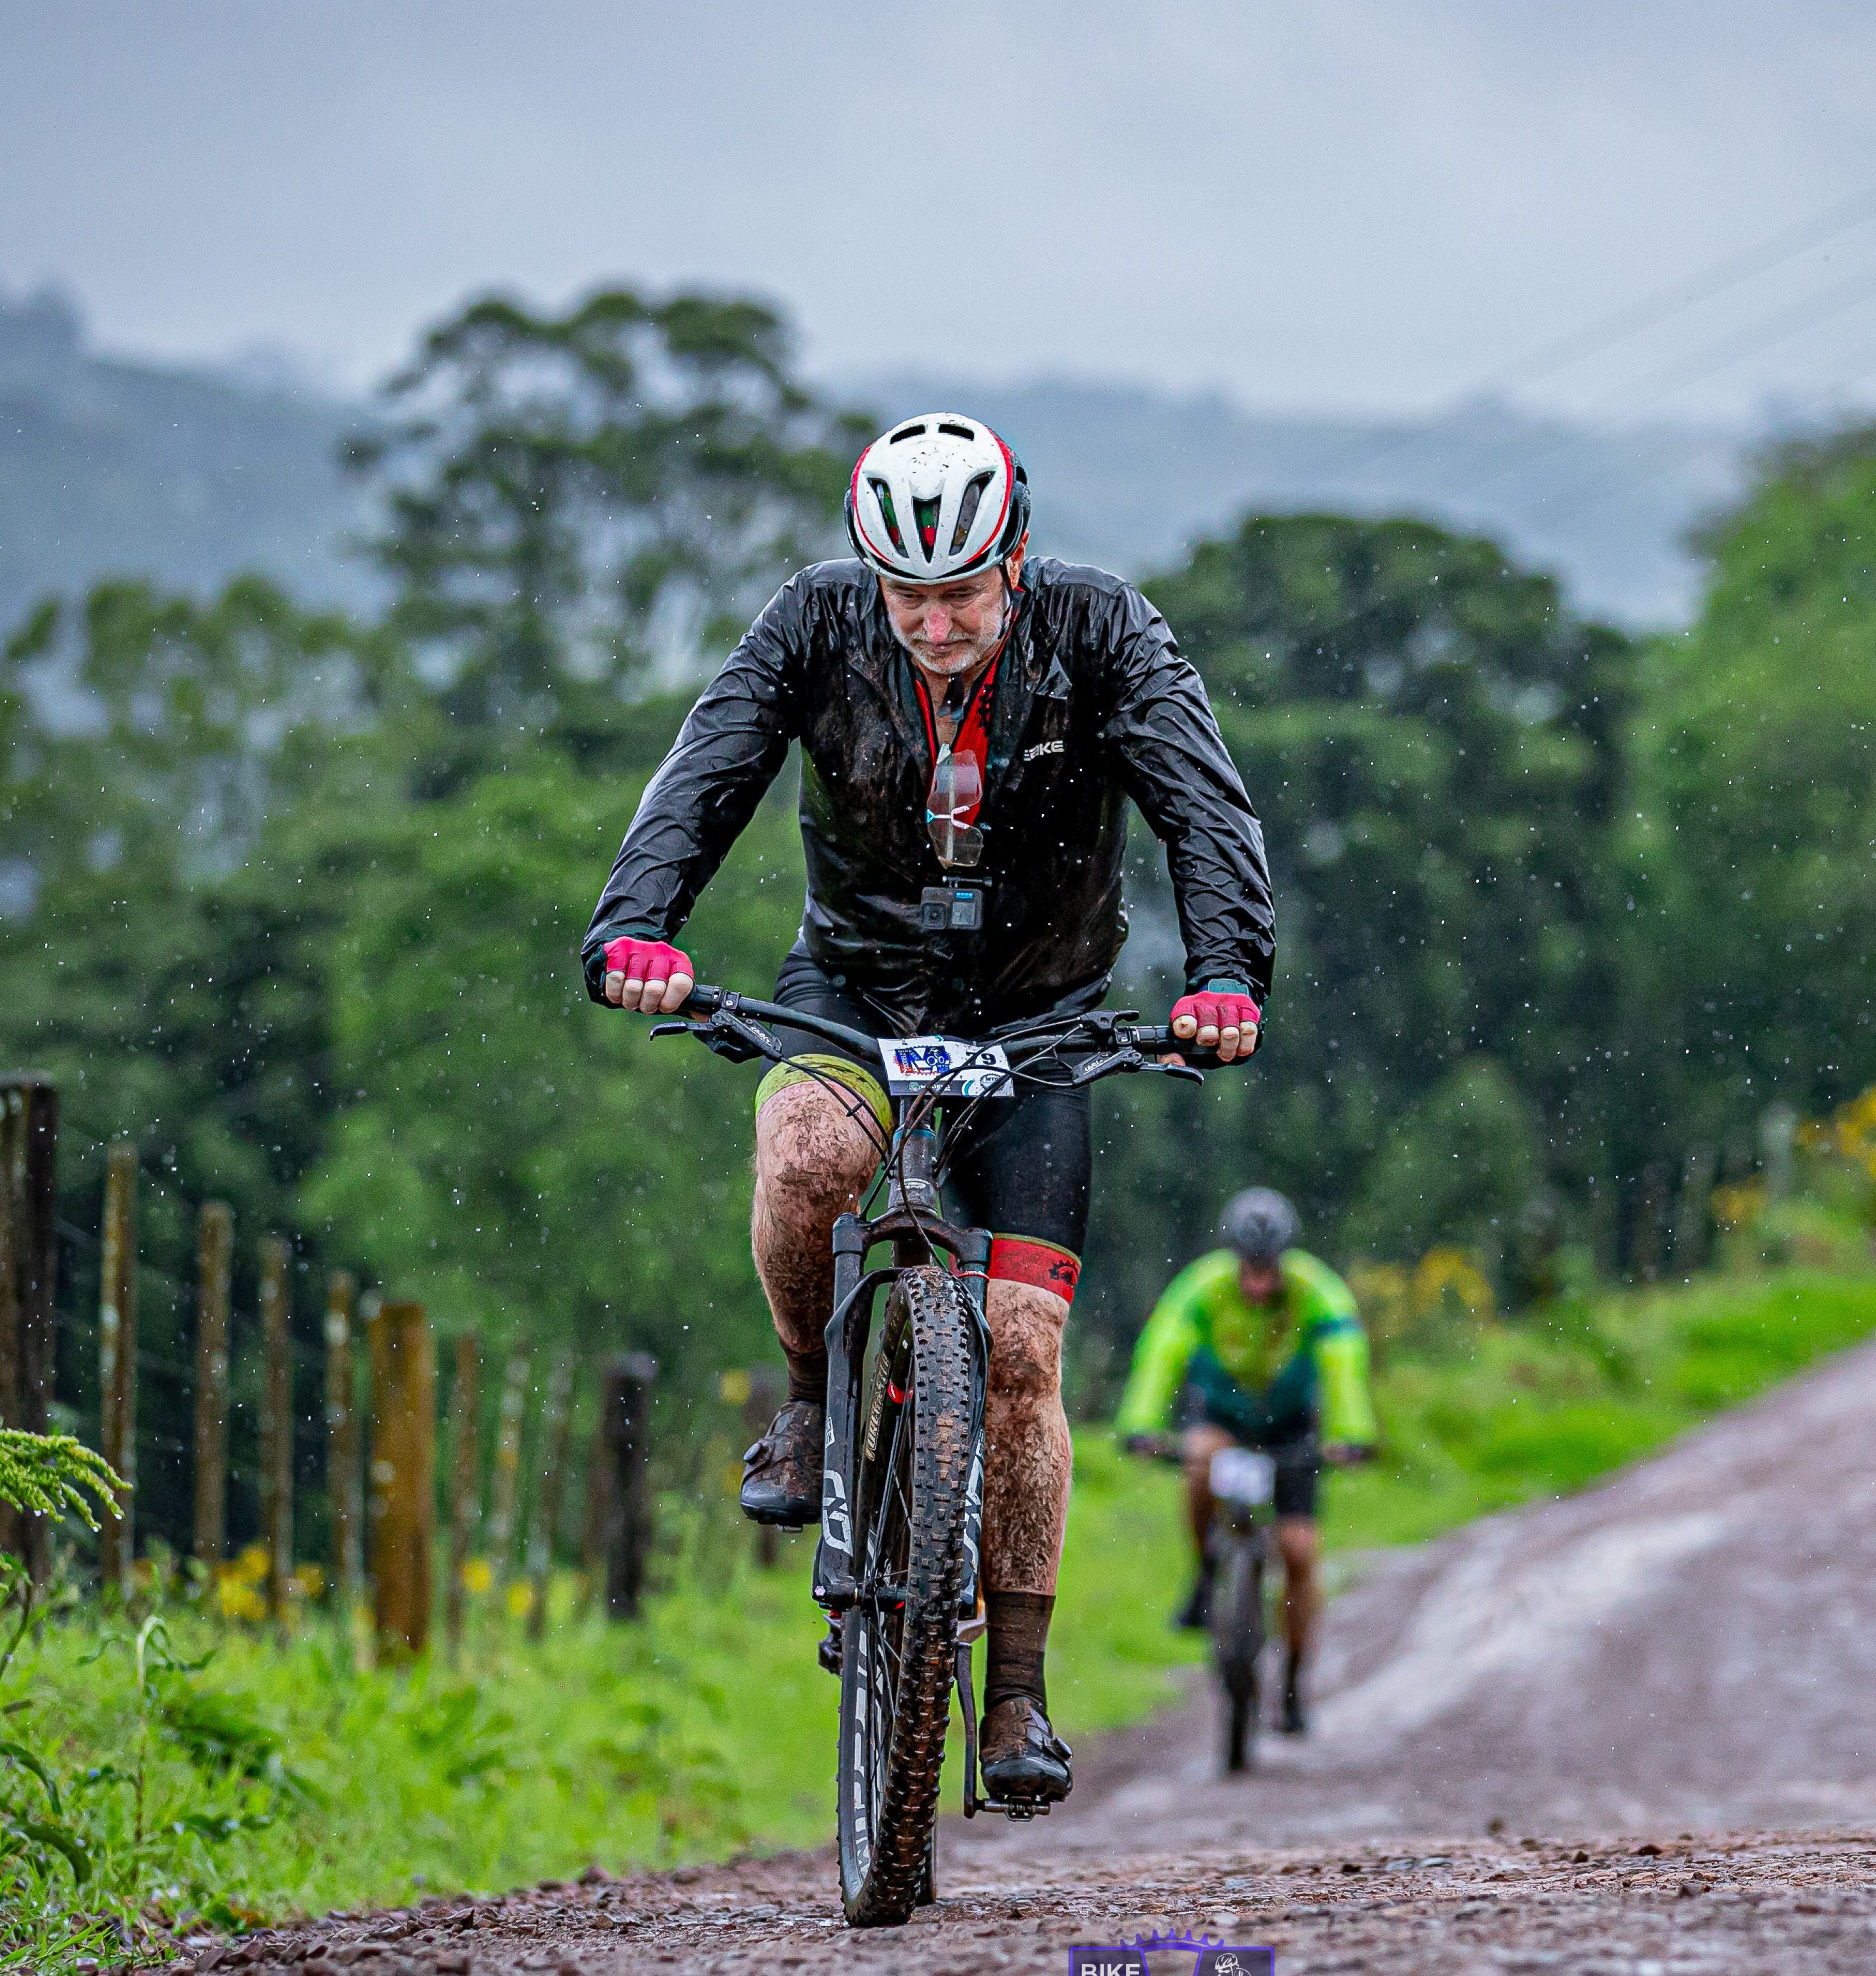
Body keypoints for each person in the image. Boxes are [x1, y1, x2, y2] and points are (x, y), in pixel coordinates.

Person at [579, 411, 1273, 1808]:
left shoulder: (1103, 630)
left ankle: (1014, 1690)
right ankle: (808, 1402)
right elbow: (704, 773)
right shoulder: (814, 624)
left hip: (1039, 1016)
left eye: (961, 592)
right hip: (856, 989)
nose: (936, 623)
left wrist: (1225, 976)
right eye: (910, 596)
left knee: (1021, 1344)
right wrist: (635, 926)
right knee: (805, 1150)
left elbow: (1204, 808)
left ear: (1014, 561)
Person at [1115, 1188, 1378, 1737]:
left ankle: (1294, 1679)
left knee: (1299, 1552)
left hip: (1290, 1426)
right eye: (1249, 1270)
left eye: (1268, 1270)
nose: (1258, 1284)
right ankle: (1206, 1575)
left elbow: (1344, 1358)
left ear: (1284, 1259)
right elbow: (1163, 1347)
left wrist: (1352, 1435)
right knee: (1199, 1461)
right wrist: (1140, 1423)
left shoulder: (1316, 1290)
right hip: (1224, 1418)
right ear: (1234, 1257)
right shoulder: (1204, 1286)